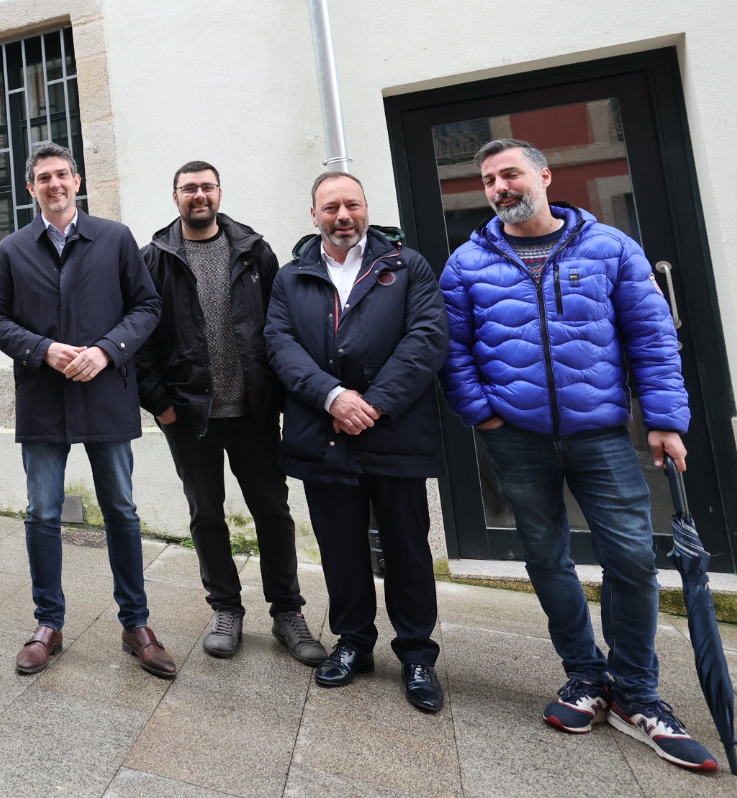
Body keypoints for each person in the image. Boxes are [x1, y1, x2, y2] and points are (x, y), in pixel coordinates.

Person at [439, 138, 716, 772]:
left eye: (510, 173)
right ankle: (585, 677)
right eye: (488, 180)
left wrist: (667, 420)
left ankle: (638, 693)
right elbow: (452, 350)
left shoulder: (611, 248)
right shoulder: (466, 262)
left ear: (543, 174)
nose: (500, 187)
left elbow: (650, 335)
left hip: (600, 434)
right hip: (515, 436)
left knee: (631, 560)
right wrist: (480, 412)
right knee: (546, 555)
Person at [0, 141, 174, 679]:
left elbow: (147, 306)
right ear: (31, 189)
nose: (54, 184)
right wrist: (42, 349)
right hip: (44, 399)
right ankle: (48, 624)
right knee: (42, 513)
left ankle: (136, 624)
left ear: (78, 180)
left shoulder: (114, 238)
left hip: (106, 393)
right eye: (43, 178)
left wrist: (105, 350)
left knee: (121, 511)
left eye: (62, 175)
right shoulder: (13, 248)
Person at [264, 171, 448, 713]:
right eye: (331, 208)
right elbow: (279, 343)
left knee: (408, 550)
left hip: (393, 432)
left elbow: (426, 337)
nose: (343, 216)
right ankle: (354, 643)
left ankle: (417, 654)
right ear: (313, 215)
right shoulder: (291, 276)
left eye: (352, 205)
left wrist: (372, 403)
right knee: (341, 547)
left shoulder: (406, 265)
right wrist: (332, 397)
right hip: (324, 434)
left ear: (367, 208)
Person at [136, 160, 324, 665]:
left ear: (219, 193)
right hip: (189, 414)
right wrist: (160, 404)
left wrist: (279, 398)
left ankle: (288, 611)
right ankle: (226, 608)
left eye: (207, 187)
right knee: (206, 515)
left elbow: (279, 326)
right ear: (174, 196)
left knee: (273, 512)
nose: (199, 195)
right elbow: (141, 338)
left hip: (253, 411)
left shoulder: (254, 250)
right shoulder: (153, 258)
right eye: (189, 188)